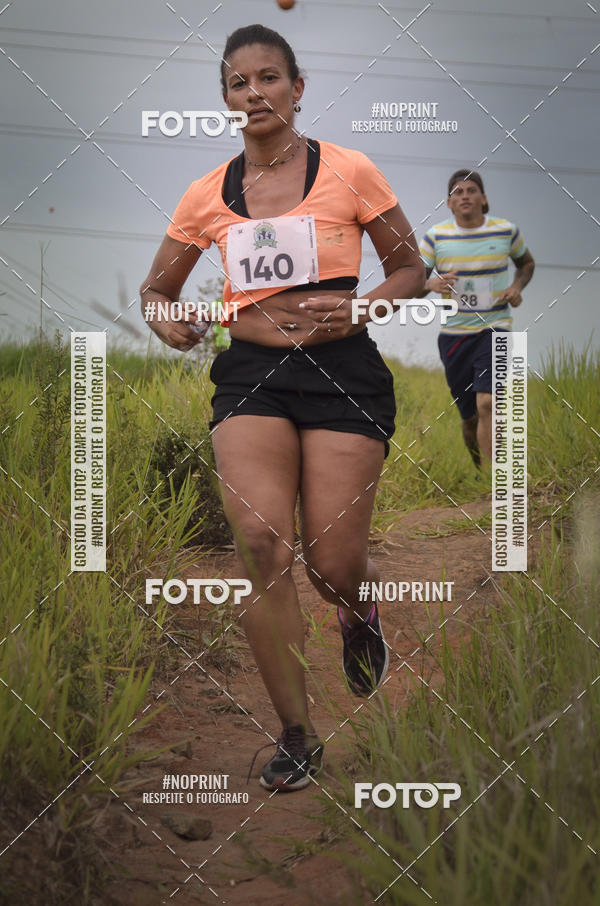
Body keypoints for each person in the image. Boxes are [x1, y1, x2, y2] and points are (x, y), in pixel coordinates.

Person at [140, 24, 424, 792]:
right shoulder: (206, 194)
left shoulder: (350, 170)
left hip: (343, 373)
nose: (254, 92)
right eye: (239, 82)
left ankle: (357, 611)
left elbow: (410, 267)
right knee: (263, 544)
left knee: (332, 563)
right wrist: (167, 319)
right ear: (226, 100)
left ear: (297, 89)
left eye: (269, 77)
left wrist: (364, 307)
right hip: (251, 375)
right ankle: (297, 734)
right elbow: (157, 289)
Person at [418, 170, 534, 465]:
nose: (465, 196)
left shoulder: (506, 231)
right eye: (458, 192)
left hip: (495, 328)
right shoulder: (434, 237)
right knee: (470, 416)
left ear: (483, 198)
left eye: (471, 190)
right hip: (454, 336)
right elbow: (413, 284)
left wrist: (516, 287)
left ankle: (495, 479)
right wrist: (431, 284)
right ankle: (480, 471)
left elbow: (527, 264)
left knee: (488, 403)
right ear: (449, 203)